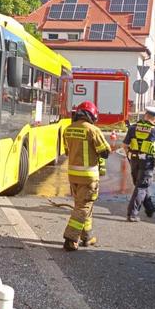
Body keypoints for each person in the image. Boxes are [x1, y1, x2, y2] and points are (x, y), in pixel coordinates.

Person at [62, 100, 110, 251]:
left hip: (72, 176)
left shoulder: (68, 129)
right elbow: (105, 152)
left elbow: (67, 151)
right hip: (88, 176)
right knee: (83, 207)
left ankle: (87, 236)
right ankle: (70, 238)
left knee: (83, 206)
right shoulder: (92, 130)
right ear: (92, 116)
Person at [123, 105, 155, 222]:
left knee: (140, 184)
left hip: (134, 159)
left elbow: (125, 145)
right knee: (142, 186)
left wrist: (130, 155)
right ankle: (132, 214)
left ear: (145, 114)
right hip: (147, 162)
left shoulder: (133, 127)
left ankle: (150, 207)